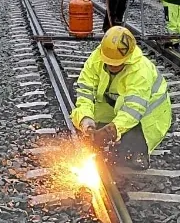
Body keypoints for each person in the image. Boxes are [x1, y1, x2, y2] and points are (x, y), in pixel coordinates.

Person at [71, 25, 171, 169]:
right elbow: (85, 93)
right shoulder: (96, 59)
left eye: (116, 63)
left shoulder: (140, 71)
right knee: (93, 137)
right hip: (116, 107)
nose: (111, 65)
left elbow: (133, 109)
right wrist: (86, 120)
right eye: (109, 62)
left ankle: (139, 153)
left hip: (147, 118)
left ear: (127, 58)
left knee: (127, 153)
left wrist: (111, 130)